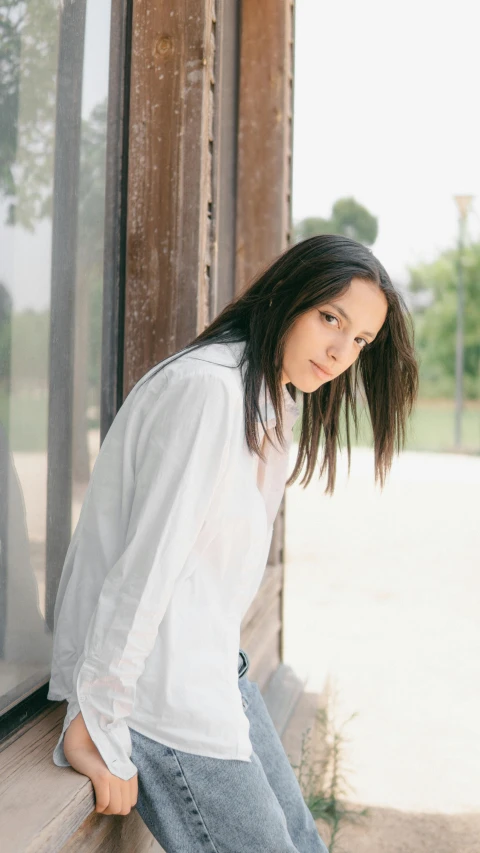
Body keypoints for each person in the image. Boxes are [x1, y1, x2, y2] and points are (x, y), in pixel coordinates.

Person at [47, 234, 418, 852]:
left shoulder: (269, 398)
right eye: (331, 318)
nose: (340, 351)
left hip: (211, 671)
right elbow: (146, 570)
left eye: (360, 341)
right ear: (289, 296)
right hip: (160, 695)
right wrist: (98, 722)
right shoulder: (208, 393)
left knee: (304, 843)